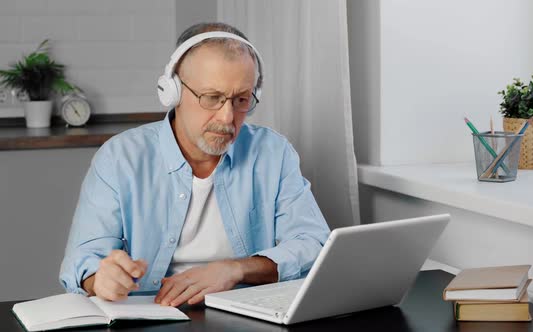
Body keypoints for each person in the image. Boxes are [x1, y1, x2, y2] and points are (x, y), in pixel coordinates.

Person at [59, 22, 330, 307]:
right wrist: (100, 278)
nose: (227, 118)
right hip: (150, 312)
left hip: (246, 312)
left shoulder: (274, 153)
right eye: (212, 98)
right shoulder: (120, 157)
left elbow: (313, 243)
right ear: (172, 91)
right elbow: (82, 260)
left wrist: (236, 268)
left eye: (241, 99)